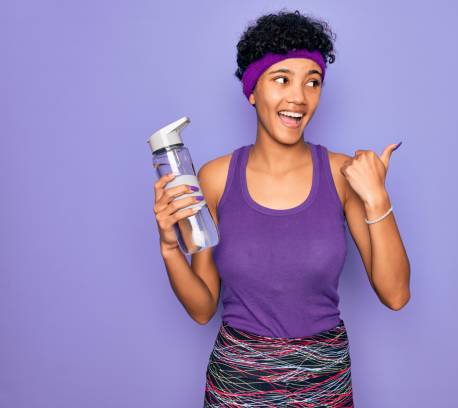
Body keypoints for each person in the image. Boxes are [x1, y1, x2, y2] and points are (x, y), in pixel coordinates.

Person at [152, 9, 411, 407]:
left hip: (323, 381)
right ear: (253, 91)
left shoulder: (344, 174)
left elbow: (395, 295)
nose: (299, 97)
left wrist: (378, 197)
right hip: (238, 382)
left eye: (313, 82)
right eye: (282, 79)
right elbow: (203, 308)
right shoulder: (216, 178)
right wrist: (170, 248)